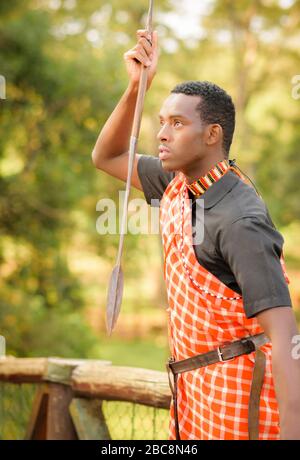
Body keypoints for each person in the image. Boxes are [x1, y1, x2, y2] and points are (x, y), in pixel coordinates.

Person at [91, 29, 300, 440]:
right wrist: (138, 85)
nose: (162, 134)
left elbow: (286, 338)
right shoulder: (177, 183)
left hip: (242, 402)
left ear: (212, 136)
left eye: (178, 123)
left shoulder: (241, 221)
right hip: (193, 394)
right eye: (162, 122)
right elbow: (107, 155)